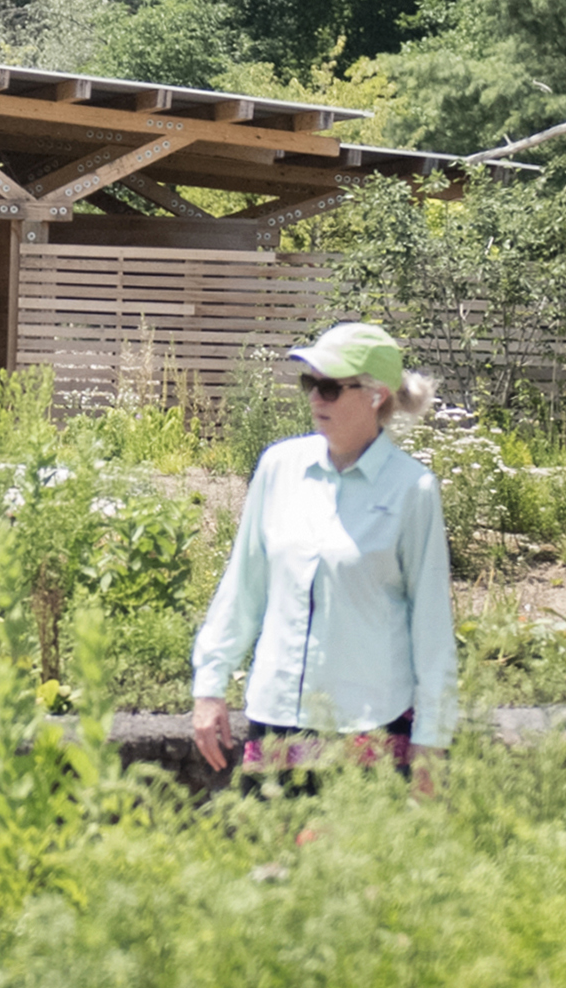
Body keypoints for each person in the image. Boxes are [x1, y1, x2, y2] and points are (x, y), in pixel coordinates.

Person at [191, 322, 457, 781]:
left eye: (331, 387)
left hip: (370, 726)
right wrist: (210, 686)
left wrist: (431, 741)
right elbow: (244, 586)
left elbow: (431, 625)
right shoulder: (279, 467)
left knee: (360, 856)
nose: (315, 398)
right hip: (276, 720)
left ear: (375, 395)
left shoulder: (412, 489)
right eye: (310, 384)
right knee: (268, 852)